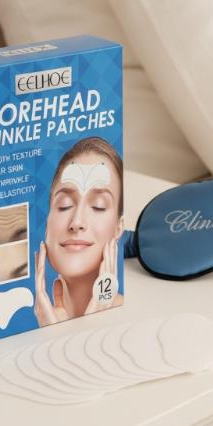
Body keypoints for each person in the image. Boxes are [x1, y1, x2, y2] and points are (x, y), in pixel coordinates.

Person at [34, 136, 124, 326]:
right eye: (64, 205)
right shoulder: (34, 326)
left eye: (99, 206)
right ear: (47, 223)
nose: (76, 222)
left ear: (119, 228)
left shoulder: (132, 322)